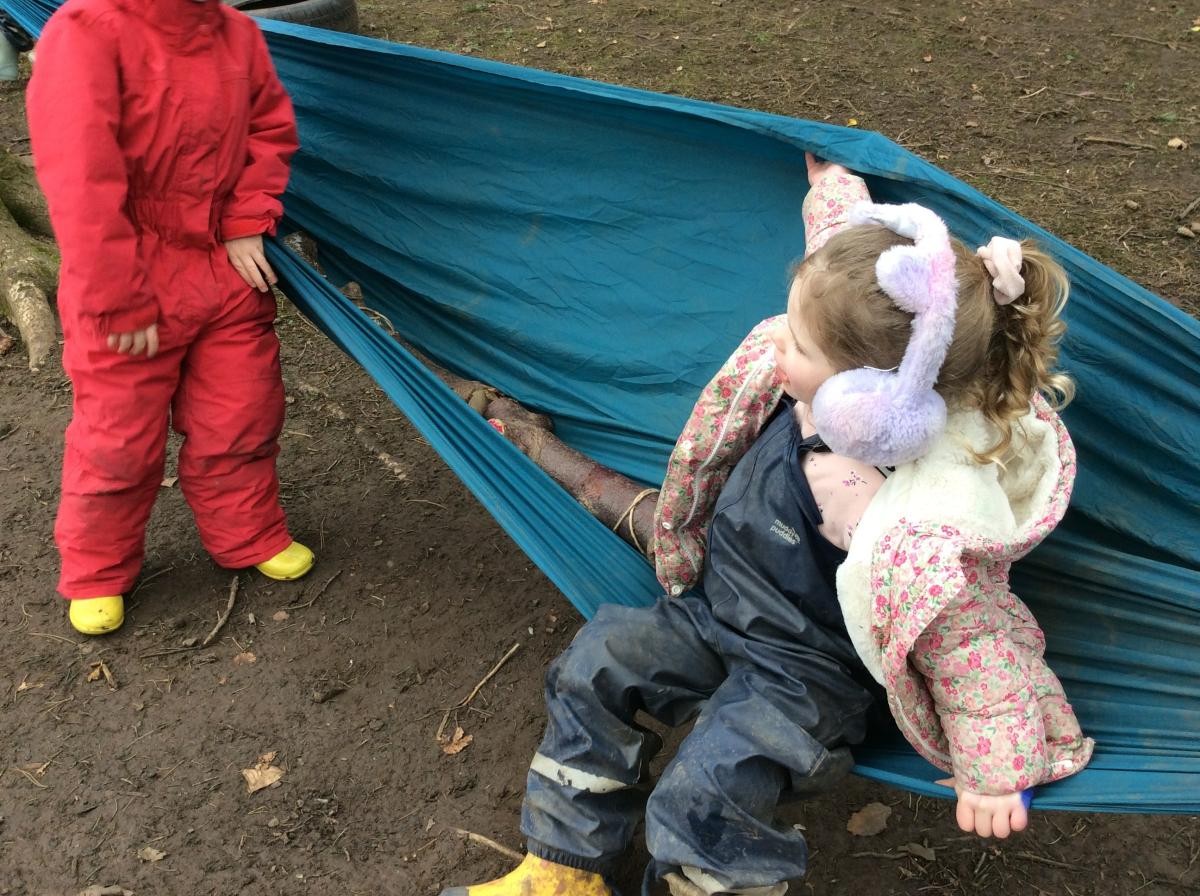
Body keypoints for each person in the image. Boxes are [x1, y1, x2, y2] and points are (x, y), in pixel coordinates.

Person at [439, 152, 1094, 896]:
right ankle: (562, 870)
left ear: (871, 397)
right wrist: (833, 183)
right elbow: (836, 255)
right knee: (599, 662)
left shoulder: (914, 520)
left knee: (708, 788)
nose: (778, 338)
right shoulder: (845, 349)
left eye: (800, 344)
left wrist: (997, 772)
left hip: (807, 676)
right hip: (718, 612)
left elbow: (972, 643)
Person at [26, 0, 314, 636]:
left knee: (243, 410)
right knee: (118, 437)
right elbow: (79, 176)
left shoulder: (236, 33)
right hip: (129, 272)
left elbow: (269, 130)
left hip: (222, 269)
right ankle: (98, 568)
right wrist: (115, 295)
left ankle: (247, 532)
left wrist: (246, 220)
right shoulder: (86, 31)